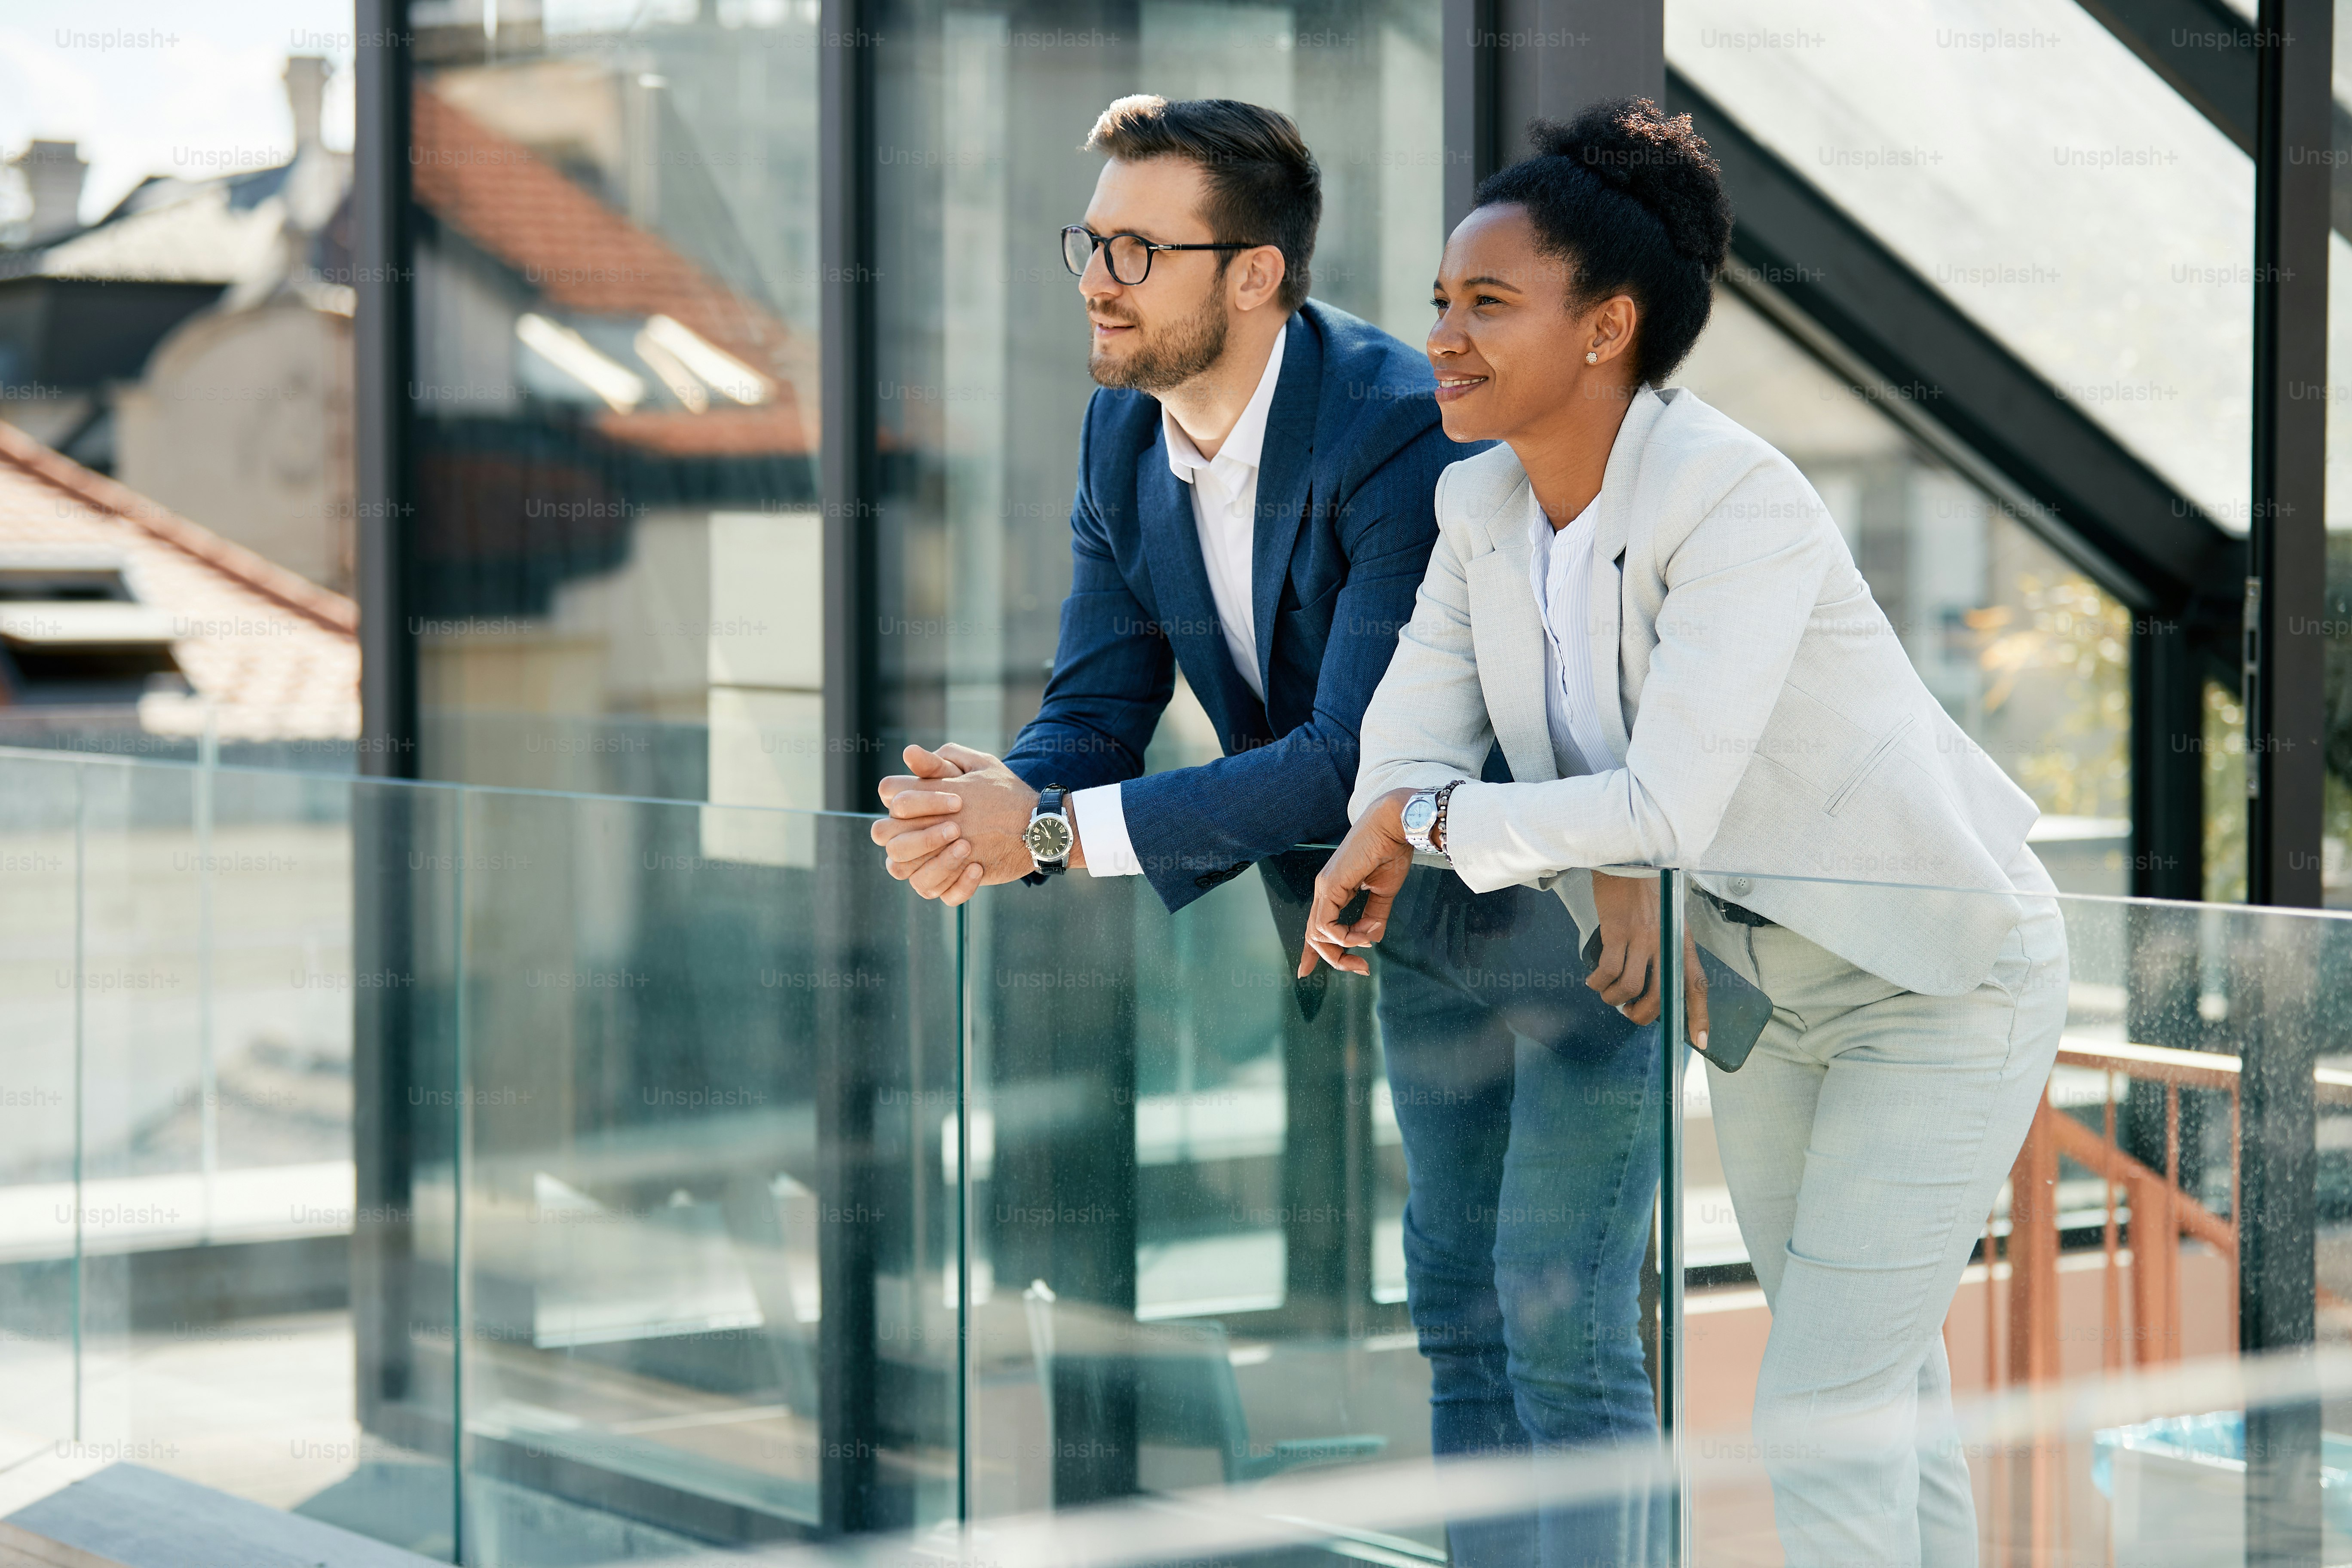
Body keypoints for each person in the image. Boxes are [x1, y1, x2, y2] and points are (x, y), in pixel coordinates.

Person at [871, 95, 1663, 1565]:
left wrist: (1043, 836)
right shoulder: (1124, 431)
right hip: (1407, 944)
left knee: (1563, 1328)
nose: (1096, 277)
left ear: (1252, 275)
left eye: (1136, 248)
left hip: (1568, 933)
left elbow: (1350, 762)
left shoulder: (1390, 428)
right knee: (1461, 1318)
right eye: (1089, 242)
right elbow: (1097, 706)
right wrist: (1000, 804)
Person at [1299, 99, 2070, 1568]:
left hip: (1943, 982)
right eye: (1442, 303)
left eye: (1488, 303)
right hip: (1766, 1004)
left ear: (1607, 329)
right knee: (1879, 1395)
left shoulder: (1733, 498)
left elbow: (1656, 805)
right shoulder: (1482, 508)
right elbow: (1394, 747)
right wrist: (1429, 809)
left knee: (1822, 1414)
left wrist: (1438, 821)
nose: (1445, 338)